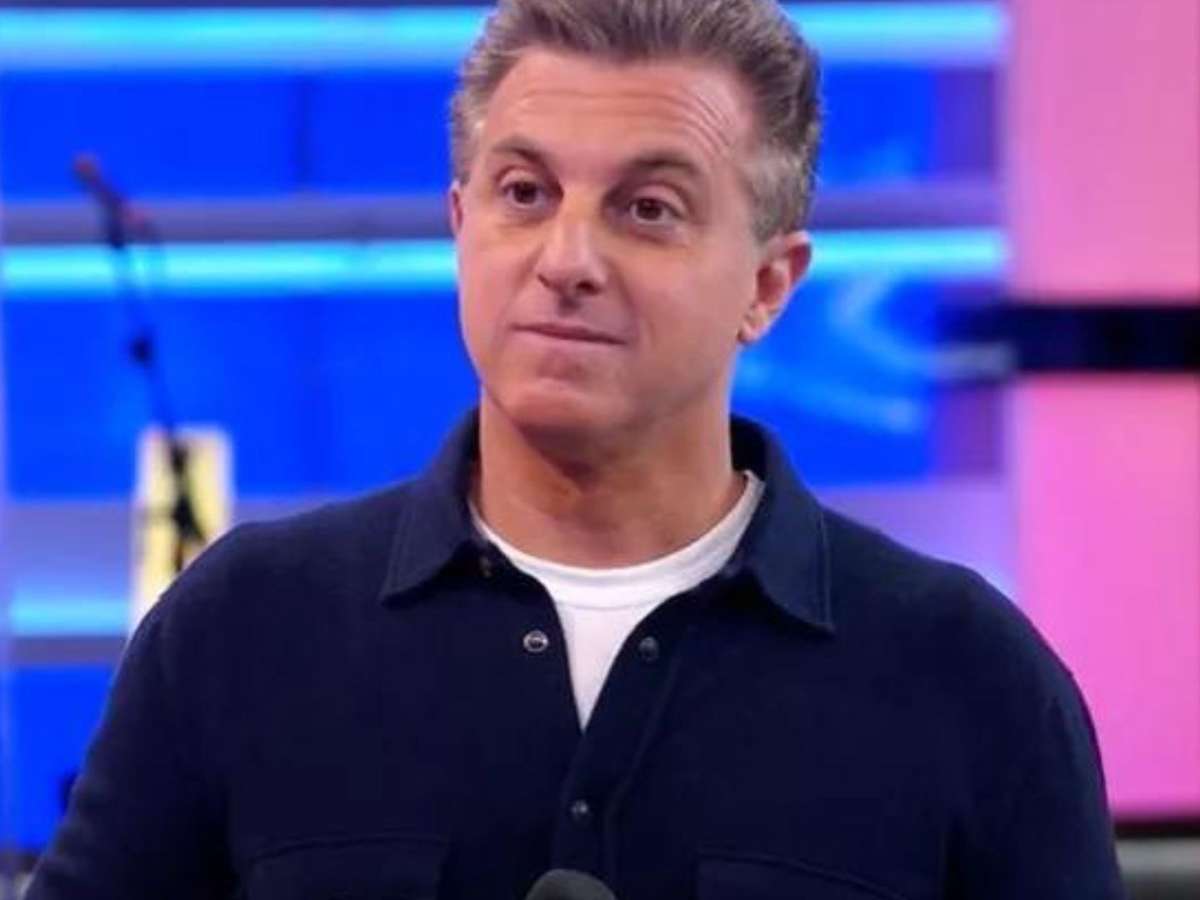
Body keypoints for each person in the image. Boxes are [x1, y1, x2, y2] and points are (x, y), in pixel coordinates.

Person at [28, 1, 1126, 898]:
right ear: (461, 224)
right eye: (525, 193)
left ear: (767, 284)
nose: (567, 259)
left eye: (647, 209)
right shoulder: (243, 630)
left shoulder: (970, 677)